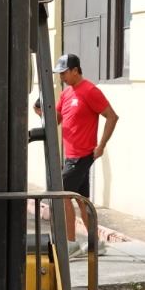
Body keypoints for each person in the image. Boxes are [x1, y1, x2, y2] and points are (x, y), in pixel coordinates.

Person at [51, 52, 117, 255]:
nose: (61, 77)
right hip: (70, 155)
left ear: (75, 71)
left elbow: (112, 117)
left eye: (64, 73)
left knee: (62, 195)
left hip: (82, 155)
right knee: (82, 200)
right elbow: (57, 118)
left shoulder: (90, 91)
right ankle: (96, 244)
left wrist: (101, 145)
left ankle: (70, 243)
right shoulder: (66, 93)